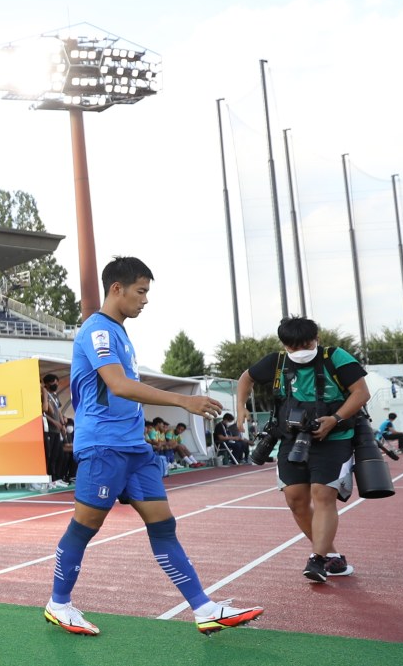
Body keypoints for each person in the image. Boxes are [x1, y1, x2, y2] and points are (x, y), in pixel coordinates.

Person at [46, 255, 262, 639]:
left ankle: (204, 608)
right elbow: (119, 385)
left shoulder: (121, 333)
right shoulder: (97, 332)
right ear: (117, 289)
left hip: (135, 449)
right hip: (103, 448)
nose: (145, 300)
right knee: (85, 526)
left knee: (164, 526)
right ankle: (58, 604)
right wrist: (183, 401)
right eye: (141, 291)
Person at [235, 316, 372, 585]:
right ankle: (332, 555)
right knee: (295, 499)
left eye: (305, 345)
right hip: (290, 437)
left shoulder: (336, 357)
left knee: (323, 494)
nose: (299, 352)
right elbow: (246, 378)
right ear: (284, 345)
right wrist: (241, 406)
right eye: (292, 347)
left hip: (335, 437)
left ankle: (317, 559)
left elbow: (361, 393)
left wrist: (335, 419)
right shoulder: (276, 362)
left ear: (315, 339)